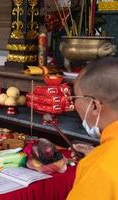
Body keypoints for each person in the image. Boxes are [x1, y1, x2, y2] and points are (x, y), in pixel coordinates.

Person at [67, 57, 118, 199]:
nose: (74, 104)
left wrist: (99, 159)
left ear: (95, 106)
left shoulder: (98, 168)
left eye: (75, 97)